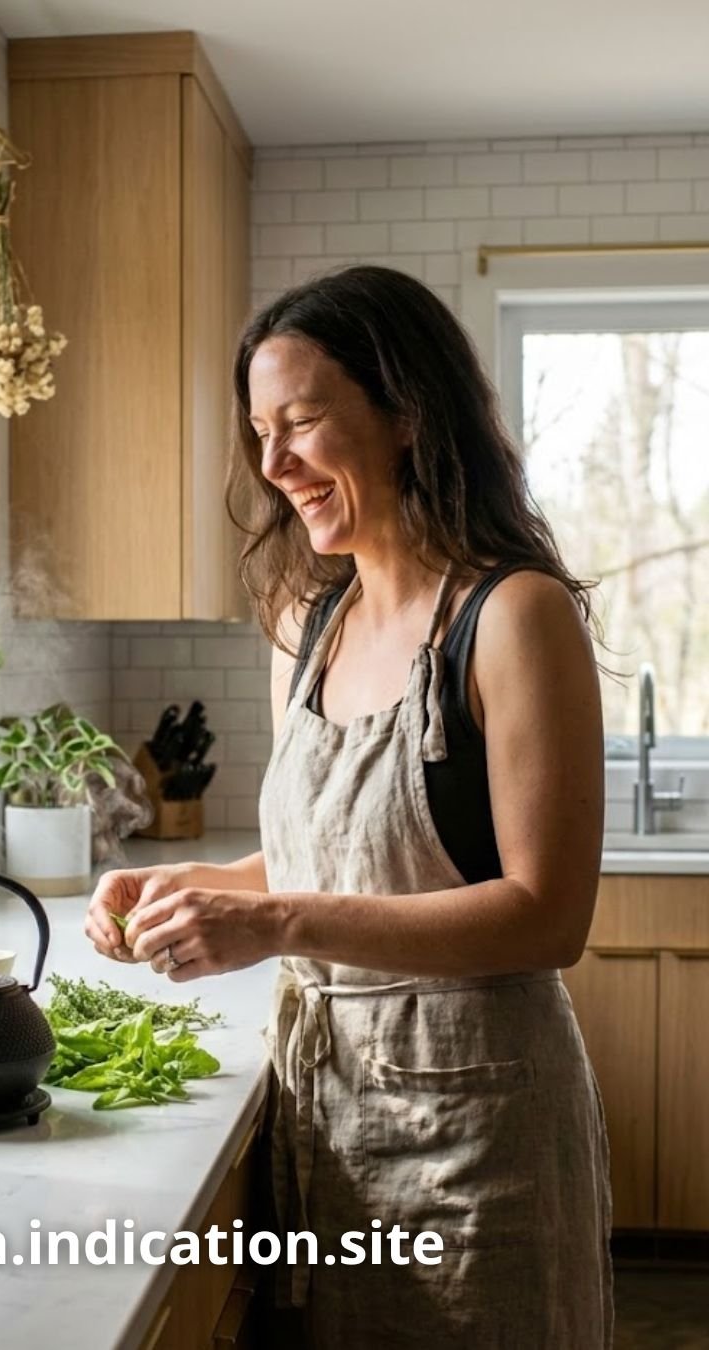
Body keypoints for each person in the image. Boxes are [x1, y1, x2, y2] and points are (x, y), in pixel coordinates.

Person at [85, 265, 612, 1347]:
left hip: (480, 1135)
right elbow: (328, 859)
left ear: (407, 415)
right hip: (324, 1115)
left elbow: (548, 916)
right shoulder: (305, 626)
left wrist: (271, 924)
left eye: (305, 423)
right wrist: (181, 888)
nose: (273, 464)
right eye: (259, 431)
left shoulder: (514, 615)